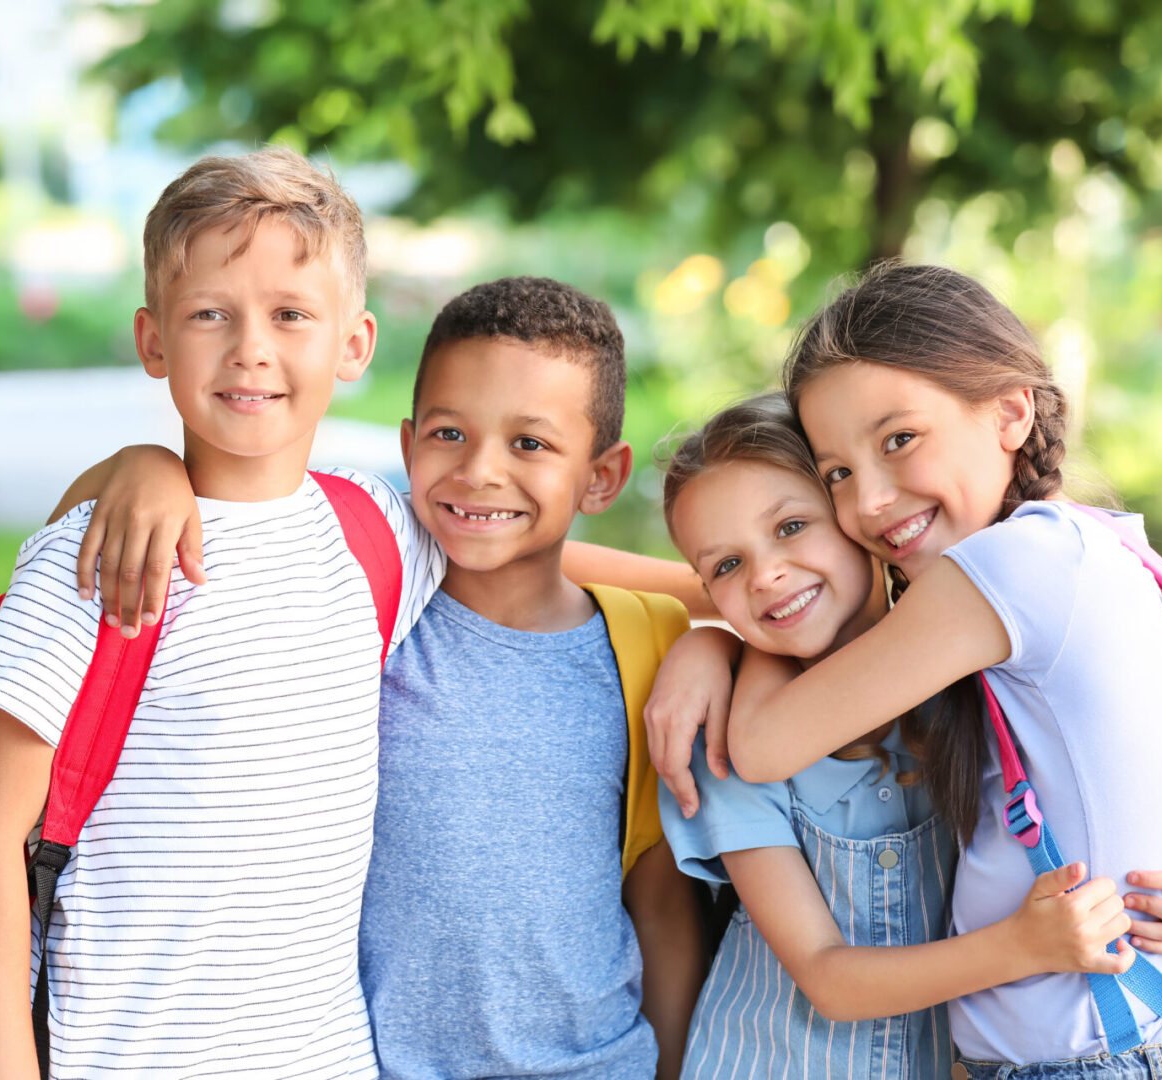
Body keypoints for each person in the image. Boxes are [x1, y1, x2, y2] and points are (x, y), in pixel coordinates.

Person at [64, 276, 713, 1079]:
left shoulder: (648, 643)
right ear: (407, 446)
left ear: (602, 477)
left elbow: (658, 886)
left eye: (530, 444)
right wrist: (144, 464)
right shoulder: (352, 607)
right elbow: (224, 518)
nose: (479, 471)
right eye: (449, 434)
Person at [0, 147, 448, 1080]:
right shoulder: (99, 558)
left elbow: (530, 554)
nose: (251, 346)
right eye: (211, 313)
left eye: (291, 315)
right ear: (153, 341)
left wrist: (713, 596)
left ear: (355, 344)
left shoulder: (371, 530)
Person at [648, 263, 1162, 1079]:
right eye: (841, 472)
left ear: (1011, 410)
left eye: (899, 440)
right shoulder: (1052, 564)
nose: (873, 501)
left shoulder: (1010, 571)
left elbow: (767, 741)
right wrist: (711, 629)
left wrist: (719, 637)